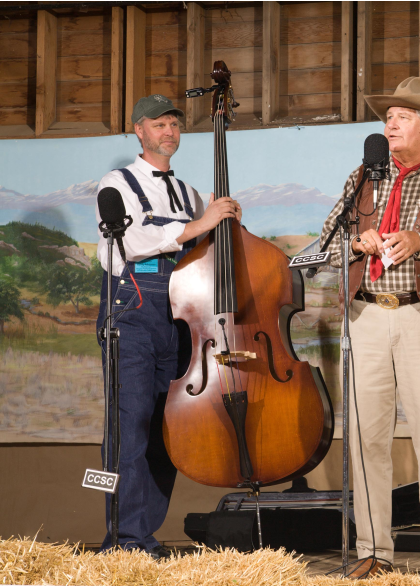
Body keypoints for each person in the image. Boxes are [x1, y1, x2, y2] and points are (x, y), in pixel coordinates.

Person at [319, 77, 420, 577]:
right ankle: (374, 550)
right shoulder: (362, 176)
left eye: (403, 116)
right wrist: (356, 243)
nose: (390, 124)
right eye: (388, 116)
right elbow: (325, 244)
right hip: (366, 315)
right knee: (367, 439)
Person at [95, 94, 242, 558]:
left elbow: (204, 250)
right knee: (130, 424)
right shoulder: (115, 183)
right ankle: (122, 539)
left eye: (174, 124)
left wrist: (224, 222)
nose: (169, 131)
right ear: (139, 130)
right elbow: (129, 243)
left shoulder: (189, 193)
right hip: (133, 309)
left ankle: (145, 537)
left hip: (179, 314)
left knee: (167, 429)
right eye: (158, 124)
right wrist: (194, 226)